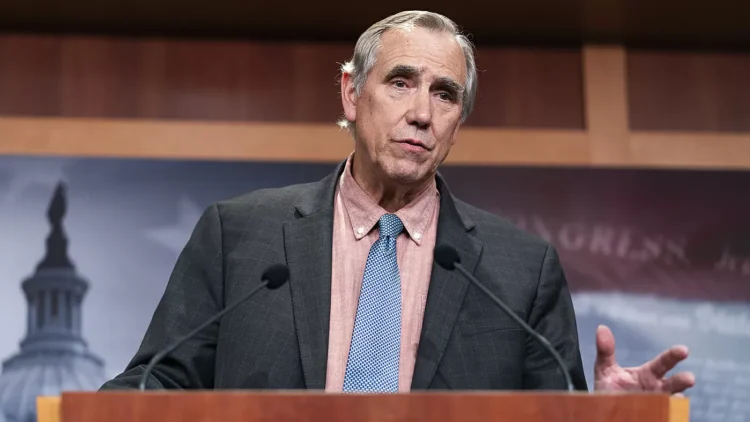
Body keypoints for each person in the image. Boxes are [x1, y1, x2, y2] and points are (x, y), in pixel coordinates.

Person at [100, 10, 695, 394]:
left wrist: (602, 419)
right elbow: (155, 386)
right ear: (351, 93)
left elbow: (551, 413)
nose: (421, 113)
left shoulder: (522, 271)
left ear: (458, 123)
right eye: (401, 82)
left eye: (445, 95)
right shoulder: (240, 236)